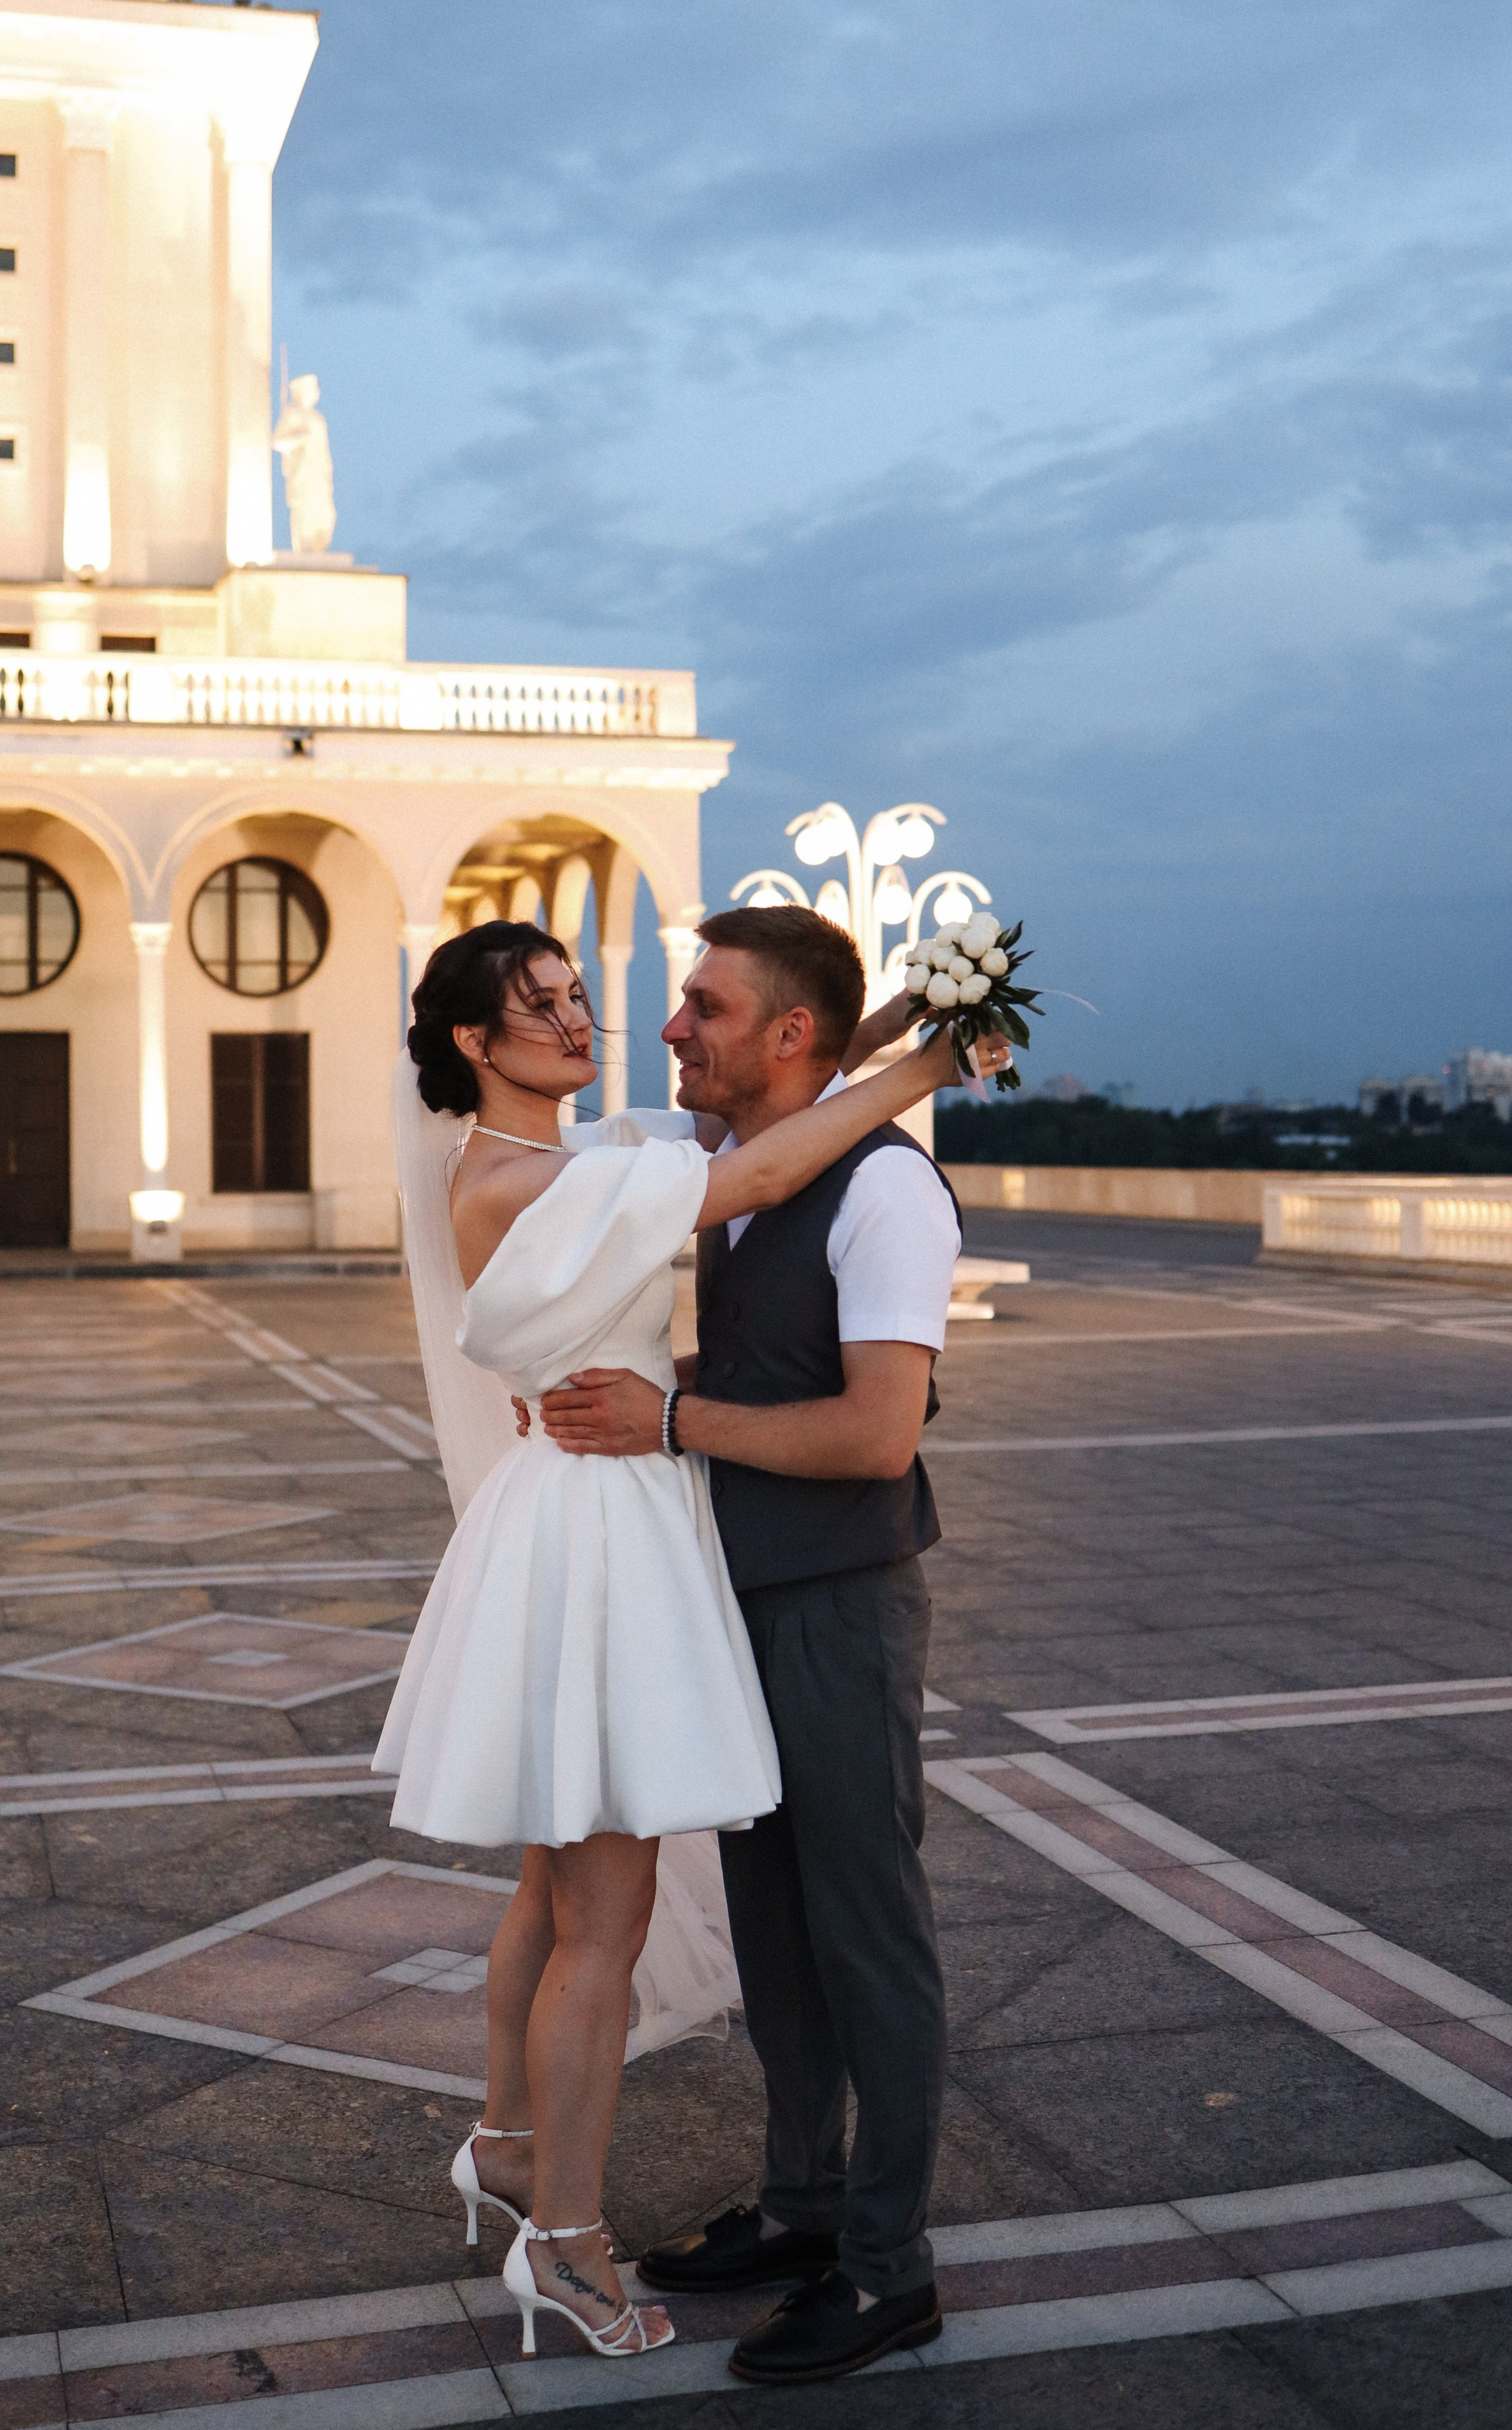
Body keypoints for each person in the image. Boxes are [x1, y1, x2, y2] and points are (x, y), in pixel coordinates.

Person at [375, 919, 997, 2365]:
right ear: (476, 1045)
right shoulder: (551, 1175)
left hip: (641, 1536)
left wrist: (900, 1011)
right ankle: (583, 2228)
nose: (601, 1022)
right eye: (548, 1006)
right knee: (621, 1904)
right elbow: (758, 1156)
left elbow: (767, 1110)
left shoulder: (590, 1158)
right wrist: (933, 1058)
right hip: (610, 1538)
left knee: (588, 1885)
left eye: (586, 994)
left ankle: (544, 2158)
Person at [537, 904, 975, 2384]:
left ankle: (885, 2267)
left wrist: (668, 1417)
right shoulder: (736, 1177)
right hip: (737, 1601)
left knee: (866, 1935)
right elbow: (762, 1342)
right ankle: (800, 2207)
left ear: (788, 1037)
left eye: (705, 1007)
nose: (672, 1028)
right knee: (775, 1937)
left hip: (840, 1606)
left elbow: (872, 1434)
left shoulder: (885, 1197)